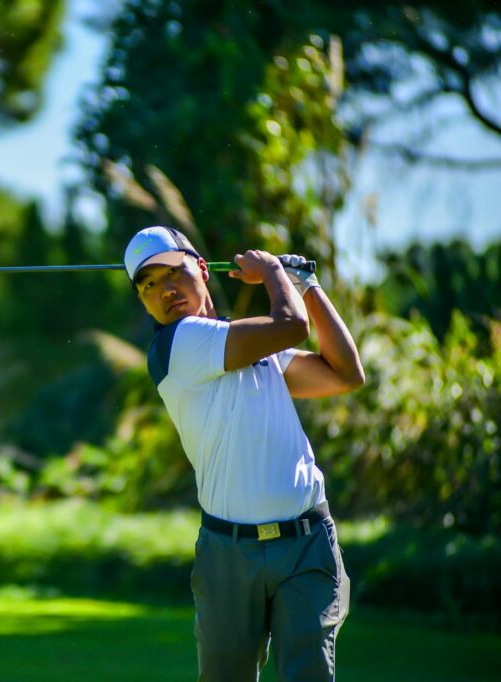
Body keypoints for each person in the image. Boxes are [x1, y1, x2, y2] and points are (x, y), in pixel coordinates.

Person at [124, 226, 365, 682]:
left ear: (200, 269)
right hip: (228, 555)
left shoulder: (256, 350)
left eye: (171, 273)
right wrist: (275, 270)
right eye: (148, 285)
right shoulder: (175, 346)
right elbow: (290, 325)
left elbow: (345, 373)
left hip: (306, 543)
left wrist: (306, 285)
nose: (164, 291)